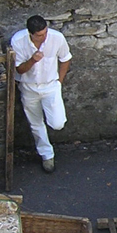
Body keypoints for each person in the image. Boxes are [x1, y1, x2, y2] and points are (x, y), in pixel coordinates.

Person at [11, 15, 72, 173]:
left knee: (57, 123)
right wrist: (33, 60)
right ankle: (47, 156)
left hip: (51, 85)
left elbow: (65, 58)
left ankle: (48, 149)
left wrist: (59, 81)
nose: (44, 37)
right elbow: (19, 69)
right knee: (36, 123)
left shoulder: (57, 37)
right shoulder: (18, 41)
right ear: (30, 33)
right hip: (28, 86)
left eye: (45, 32)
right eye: (39, 35)